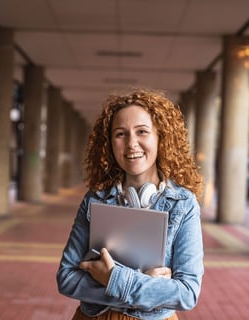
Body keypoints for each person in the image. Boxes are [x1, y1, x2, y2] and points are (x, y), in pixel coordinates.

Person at [57, 88, 204, 320]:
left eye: (142, 132)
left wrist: (112, 278)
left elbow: (187, 294)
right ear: (109, 143)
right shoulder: (94, 199)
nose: (131, 144)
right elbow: (66, 278)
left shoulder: (183, 205)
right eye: (120, 134)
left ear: (160, 137)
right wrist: (144, 285)